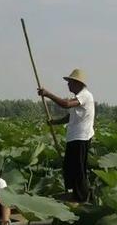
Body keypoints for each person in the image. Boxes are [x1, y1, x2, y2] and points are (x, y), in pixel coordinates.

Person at [37, 68, 95, 202]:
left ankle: (82, 197)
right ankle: (75, 193)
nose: (68, 85)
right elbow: (71, 116)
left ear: (78, 83)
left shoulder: (85, 95)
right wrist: (54, 122)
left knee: (78, 169)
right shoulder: (79, 98)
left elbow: (67, 105)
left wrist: (48, 94)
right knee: (69, 167)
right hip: (74, 137)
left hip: (82, 137)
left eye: (70, 82)